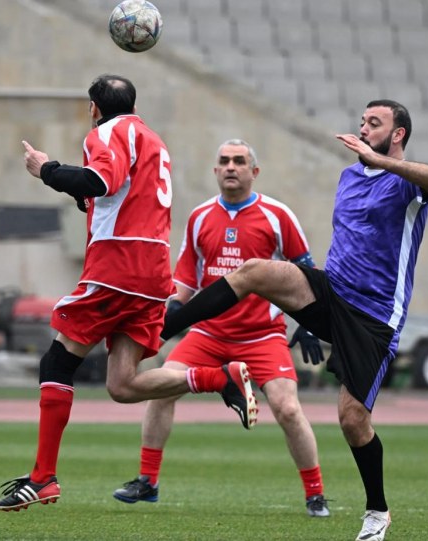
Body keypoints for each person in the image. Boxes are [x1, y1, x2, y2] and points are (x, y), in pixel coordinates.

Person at [157, 100, 428, 541]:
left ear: (399, 134)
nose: (363, 128)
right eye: (363, 121)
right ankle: (162, 327)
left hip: (373, 316)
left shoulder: (406, 184)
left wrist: (381, 160)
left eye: (375, 123)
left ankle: (377, 511)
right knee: (254, 271)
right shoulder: (349, 176)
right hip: (332, 289)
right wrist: (311, 319)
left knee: (352, 421)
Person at [0, 75, 256, 512]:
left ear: (94, 107)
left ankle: (43, 478)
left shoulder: (108, 131)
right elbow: (121, 192)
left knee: (57, 361)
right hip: (153, 272)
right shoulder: (152, 138)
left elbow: (100, 180)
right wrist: (88, 197)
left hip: (118, 266)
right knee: (122, 383)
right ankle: (218, 377)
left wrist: (47, 170)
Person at [112, 139, 331, 517]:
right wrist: (155, 315)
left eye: (239, 161)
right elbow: (184, 285)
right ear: (215, 171)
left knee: (288, 408)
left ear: (254, 171)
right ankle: (148, 481)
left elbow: (307, 272)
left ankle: (315, 494)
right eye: (224, 161)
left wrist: (309, 324)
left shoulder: (278, 215)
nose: (231, 167)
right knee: (161, 388)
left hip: (263, 335)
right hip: (207, 335)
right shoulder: (199, 217)